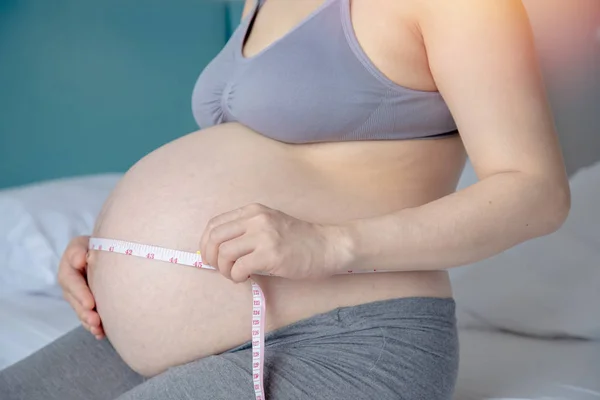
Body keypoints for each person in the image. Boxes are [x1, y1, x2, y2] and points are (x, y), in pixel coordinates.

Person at [0, 0, 570, 399]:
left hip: (342, 338)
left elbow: (536, 192)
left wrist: (331, 242)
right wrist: (115, 251)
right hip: (207, 326)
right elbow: (259, 163)